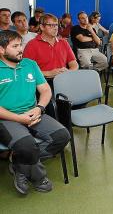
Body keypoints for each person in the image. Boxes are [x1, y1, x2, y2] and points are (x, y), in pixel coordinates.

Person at [0, 30, 70, 195]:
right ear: (1, 50)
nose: (20, 49)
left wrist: (39, 108)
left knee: (62, 136)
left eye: (21, 45)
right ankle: (38, 177)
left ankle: (19, 164)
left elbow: (45, 90)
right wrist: (19, 118)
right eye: (15, 46)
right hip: (7, 118)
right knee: (27, 145)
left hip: (34, 112)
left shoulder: (30, 64)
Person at [23, 13, 78, 83]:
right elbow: (26, 70)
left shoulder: (63, 43)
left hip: (64, 80)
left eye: (56, 25)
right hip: (42, 82)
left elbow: (74, 64)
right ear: (42, 27)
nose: (55, 28)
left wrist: (68, 72)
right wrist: (49, 73)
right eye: (51, 25)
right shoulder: (32, 44)